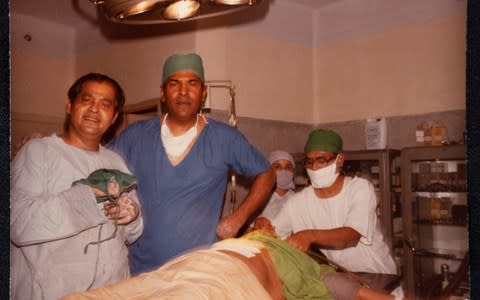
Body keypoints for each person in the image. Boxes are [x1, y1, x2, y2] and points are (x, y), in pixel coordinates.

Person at [108, 52, 276, 275]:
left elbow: (267, 173)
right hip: (142, 271)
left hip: (198, 272)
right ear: (163, 93)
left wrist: (238, 218)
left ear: (204, 92)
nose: (183, 92)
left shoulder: (224, 138)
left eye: (192, 84)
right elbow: (99, 167)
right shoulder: (135, 136)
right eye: (174, 83)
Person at [10, 73, 144, 300]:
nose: (94, 109)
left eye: (105, 104)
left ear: (114, 118)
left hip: (112, 289)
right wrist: (89, 196)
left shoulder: (116, 162)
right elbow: (18, 225)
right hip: (55, 292)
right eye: (87, 100)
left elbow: (131, 234)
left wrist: (132, 217)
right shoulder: (38, 152)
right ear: (69, 106)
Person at [61, 230, 398, 300]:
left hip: (231, 282)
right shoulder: (253, 238)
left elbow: (364, 295)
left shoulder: (318, 271)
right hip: (199, 262)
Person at [254, 129, 397, 276]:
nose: (314, 167)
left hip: (378, 274)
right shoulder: (299, 202)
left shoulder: (359, 189)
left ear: (339, 160)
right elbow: (272, 235)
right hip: (345, 277)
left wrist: (310, 235)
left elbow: (351, 235)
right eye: (309, 161)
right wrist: (262, 227)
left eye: (321, 160)